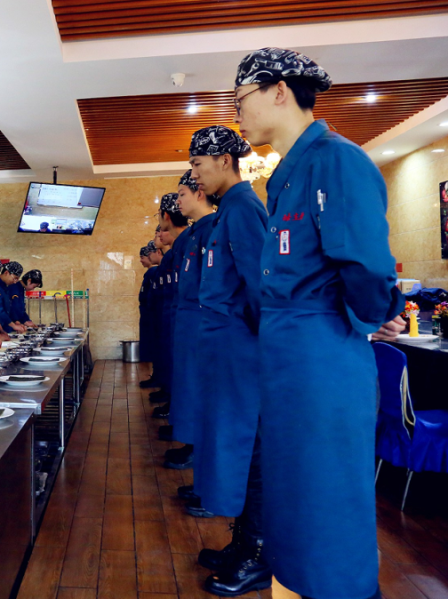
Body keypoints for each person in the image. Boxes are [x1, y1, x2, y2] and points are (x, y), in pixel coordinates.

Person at [233, 48, 405, 599]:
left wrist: (373, 317)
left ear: (279, 91)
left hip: (322, 359)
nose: (238, 115)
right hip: (290, 360)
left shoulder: (336, 160)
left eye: (241, 100)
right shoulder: (286, 173)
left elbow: (365, 263)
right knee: (296, 493)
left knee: (328, 495)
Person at [188, 125, 270, 595]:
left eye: (199, 165)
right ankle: (241, 543)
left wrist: (252, 347)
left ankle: (257, 554)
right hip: (227, 349)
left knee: (251, 449)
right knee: (237, 447)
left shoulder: (242, 208)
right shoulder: (229, 210)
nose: (196, 175)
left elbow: (259, 287)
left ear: (224, 161)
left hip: (241, 350)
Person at [164, 171, 217, 472]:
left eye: (182, 194)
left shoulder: (214, 227)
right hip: (187, 317)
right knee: (187, 383)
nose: (178, 202)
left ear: (199, 193)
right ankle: (190, 442)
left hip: (200, 317)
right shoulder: (195, 232)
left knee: (197, 385)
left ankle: (199, 449)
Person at [149, 194, 188, 419]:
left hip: (184, 313)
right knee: (170, 358)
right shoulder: (173, 253)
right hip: (171, 312)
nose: (159, 235)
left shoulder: (186, 242)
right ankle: (171, 398)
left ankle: (177, 408)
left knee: (180, 364)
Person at [137, 241, 158, 389]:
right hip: (148, 313)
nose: (141, 260)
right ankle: (155, 375)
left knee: (154, 347)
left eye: (142, 257)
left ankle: (157, 377)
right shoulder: (151, 273)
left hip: (152, 314)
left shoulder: (154, 272)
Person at [0, 262, 28, 334]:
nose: (15, 282)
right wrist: (13, 325)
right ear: (6, 273)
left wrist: (15, 321)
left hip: (5, 327)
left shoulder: (5, 287)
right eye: (15, 278)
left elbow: (9, 308)